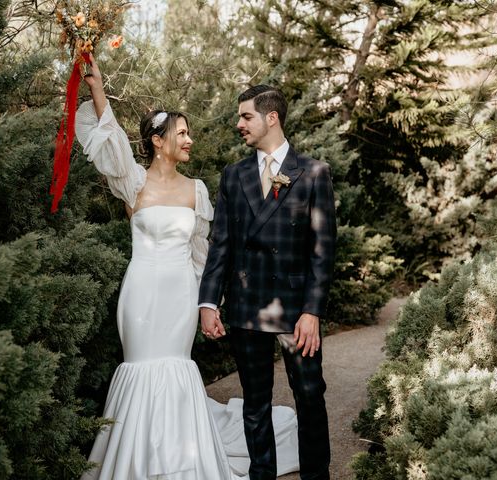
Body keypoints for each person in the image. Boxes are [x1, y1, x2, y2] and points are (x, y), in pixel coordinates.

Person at [76, 58, 299, 480]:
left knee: (177, 367)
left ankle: (183, 463)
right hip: (140, 291)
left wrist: (208, 304)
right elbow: (111, 142)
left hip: (180, 292)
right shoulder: (133, 182)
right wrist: (97, 87)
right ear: (158, 142)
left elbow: (203, 254)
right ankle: (137, 465)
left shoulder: (196, 190)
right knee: (140, 366)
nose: (189, 139)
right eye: (181, 133)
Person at [199, 85, 337, 480]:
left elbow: (322, 251)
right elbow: (220, 242)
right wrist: (209, 301)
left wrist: (312, 311)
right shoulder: (234, 174)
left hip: (296, 310)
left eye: (246, 116)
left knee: (310, 397)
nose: (238, 124)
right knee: (254, 405)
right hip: (246, 303)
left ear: (270, 118)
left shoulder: (312, 173)